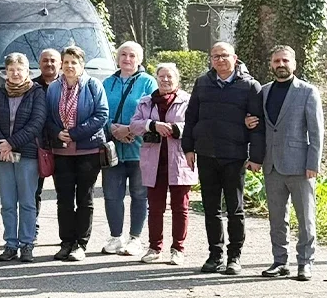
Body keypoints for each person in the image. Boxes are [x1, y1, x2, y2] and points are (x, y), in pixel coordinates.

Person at [182, 42, 264, 275]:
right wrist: (188, 148)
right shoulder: (202, 83)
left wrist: (256, 157)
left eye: (224, 56)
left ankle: (234, 257)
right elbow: (191, 118)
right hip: (206, 154)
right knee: (210, 209)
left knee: (235, 209)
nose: (219, 60)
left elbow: (257, 125)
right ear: (210, 59)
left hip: (234, 156)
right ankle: (215, 254)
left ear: (234, 57)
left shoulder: (250, 86)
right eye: (215, 56)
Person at [246, 46, 323, 281]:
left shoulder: (308, 92)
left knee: (305, 217)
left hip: (300, 166)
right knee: (277, 218)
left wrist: (313, 163)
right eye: (276, 60)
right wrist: (249, 122)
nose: (281, 64)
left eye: (285, 60)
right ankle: (280, 261)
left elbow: (317, 132)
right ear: (271, 64)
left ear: (294, 64)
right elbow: (260, 126)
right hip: (272, 166)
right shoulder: (264, 91)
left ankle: (305, 262)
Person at [129, 63, 197, 266]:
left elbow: (197, 124)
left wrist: (176, 129)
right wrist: (152, 125)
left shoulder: (188, 101)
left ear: (177, 79)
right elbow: (134, 124)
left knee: (180, 207)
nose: (165, 80)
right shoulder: (146, 101)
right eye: (161, 77)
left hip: (180, 159)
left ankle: (178, 248)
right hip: (154, 161)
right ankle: (154, 247)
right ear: (156, 79)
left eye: (170, 77)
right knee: (155, 208)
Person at [46, 46, 109, 262]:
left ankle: (80, 244)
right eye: (66, 62)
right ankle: (66, 242)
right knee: (64, 200)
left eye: (74, 62)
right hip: (61, 152)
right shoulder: (53, 88)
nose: (69, 66)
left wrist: (73, 134)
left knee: (84, 198)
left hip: (87, 150)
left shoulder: (93, 86)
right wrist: (58, 133)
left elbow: (101, 115)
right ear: (61, 65)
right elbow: (46, 116)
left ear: (82, 65)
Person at [0, 53, 46, 262]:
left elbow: (37, 123)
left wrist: (12, 142)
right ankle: (10, 244)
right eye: (11, 69)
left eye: (20, 69)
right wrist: (3, 142)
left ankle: (27, 244)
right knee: (8, 202)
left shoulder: (36, 93)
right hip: (2, 155)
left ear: (27, 71)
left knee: (27, 201)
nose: (16, 73)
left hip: (27, 155)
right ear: (6, 72)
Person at [101, 41, 158, 256]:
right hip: (113, 150)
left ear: (139, 59)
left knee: (139, 195)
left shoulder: (148, 82)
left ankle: (135, 238)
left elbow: (153, 113)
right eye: (123, 54)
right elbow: (100, 109)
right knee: (112, 195)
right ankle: (116, 237)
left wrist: (131, 130)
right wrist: (113, 129)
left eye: (132, 55)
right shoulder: (108, 83)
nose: (127, 59)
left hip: (140, 150)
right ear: (117, 58)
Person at [33, 48, 60, 239]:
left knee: (64, 194)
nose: (49, 64)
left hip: (63, 147)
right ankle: (31, 229)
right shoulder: (31, 87)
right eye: (45, 61)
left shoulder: (67, 85)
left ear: (59, 63)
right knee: (34, 192)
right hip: (38, 147)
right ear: (39, 63)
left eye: (53, 60)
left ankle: (66, 234)